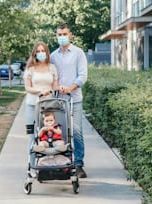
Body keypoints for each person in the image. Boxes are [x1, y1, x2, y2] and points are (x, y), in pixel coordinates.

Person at [50, 23, 88, 178]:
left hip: (75, 98)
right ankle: (64, 162)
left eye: (64, 34)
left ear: (70, 35)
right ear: (56, 36)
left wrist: (70, 88)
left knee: (77, 131)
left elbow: (83, 75)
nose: (62, 37)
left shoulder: (78, 53)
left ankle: (78, 164)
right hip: (60, 99)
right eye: (59, 34)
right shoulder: (53, 56)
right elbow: (52, 76)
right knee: (62, 131)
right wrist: (58, 88)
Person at [24, 42, 59, 160]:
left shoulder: (52, 68)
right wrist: (40, 91)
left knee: (48, 134)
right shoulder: (30, 69)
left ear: (47, 52)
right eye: (38, 51)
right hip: (32, 104)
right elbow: (27, 88)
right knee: (32, 136)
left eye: (42, 51)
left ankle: (47, 162)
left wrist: (59, 89)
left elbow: (55, 87)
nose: (40, 53)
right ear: (34, 54)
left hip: (47, 106)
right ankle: (32, 165)